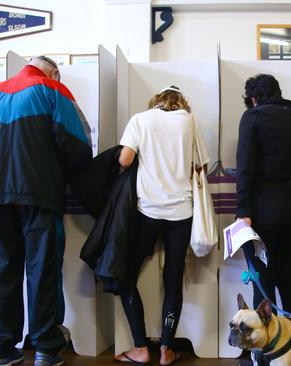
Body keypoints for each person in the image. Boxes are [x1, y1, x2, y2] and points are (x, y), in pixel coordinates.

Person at [0, 56, 92, 366]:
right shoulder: (52, 90)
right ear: (54, 72)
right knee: (42, 272)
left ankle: (2, 350)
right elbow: (78, 145)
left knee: (1, 274)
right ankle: (46, 349)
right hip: (40, 195)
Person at [114, 86, 209, 366]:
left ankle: (141, 347)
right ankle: (167, 349)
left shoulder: (140, 119)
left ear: (155, 101)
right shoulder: (189, 121)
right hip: (181, 211)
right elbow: (201, 163)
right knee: (173, 280)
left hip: (148, 210)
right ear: (181, 102)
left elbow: (125, 159)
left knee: (127, 276)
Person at [235, 74, 291, 314]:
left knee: (262, 276)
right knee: (288, 276)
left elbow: (245, 168)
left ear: (253, 98)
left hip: (261, 209)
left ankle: (265, 348)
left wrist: (243, 212)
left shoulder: (253, 117)